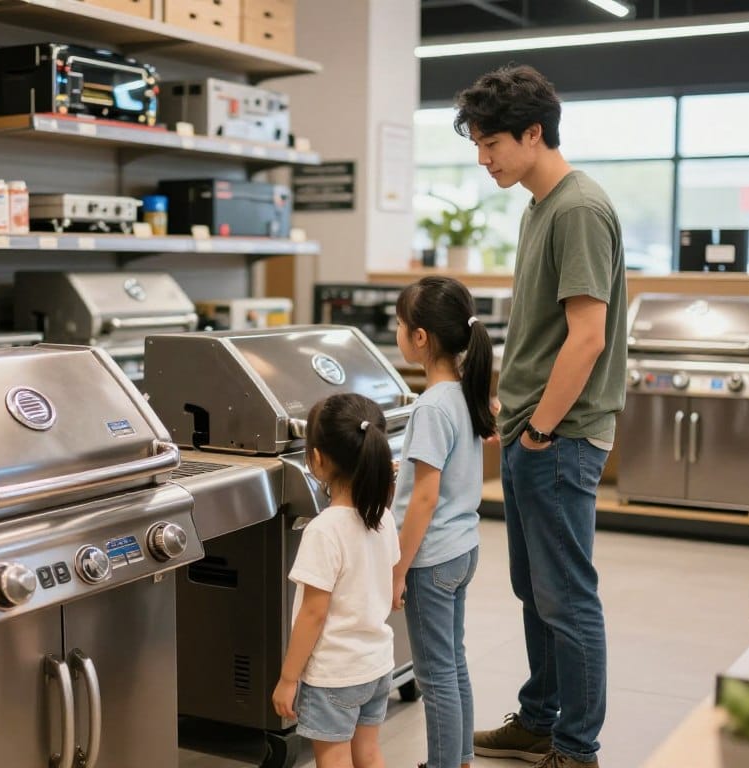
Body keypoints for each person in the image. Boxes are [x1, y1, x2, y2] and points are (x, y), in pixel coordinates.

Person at [458, 65, 628, 768]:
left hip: (560, 438)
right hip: (537, 430)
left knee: (567, 597)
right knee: (537, 591)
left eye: (492, 141)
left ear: (534, 133)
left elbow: (588, 336)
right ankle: (539, 719)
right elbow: (548, 332)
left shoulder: (578, 209)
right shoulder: (540, 205)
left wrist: (539, 430)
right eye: (476, 143)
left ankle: (576, 746)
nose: (482, 156)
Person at [391, 275, 497, 768]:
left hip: (431, 558)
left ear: (420, 338)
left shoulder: (431, 406)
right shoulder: (461, 394)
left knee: (434, 675)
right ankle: (460, 758)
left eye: (399, 324)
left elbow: (424, 500)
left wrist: (398, 568)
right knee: (452, 663)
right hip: (462, 548)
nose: (396, 332)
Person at [271, 392, 400, 768]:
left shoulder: (324, 530)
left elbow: (313, 613)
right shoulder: (383, 517)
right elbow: (389, 576)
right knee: (369, 753)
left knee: (335, 759)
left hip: (334, 674)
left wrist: (288, 678)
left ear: (317, 459)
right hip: (376, 664)